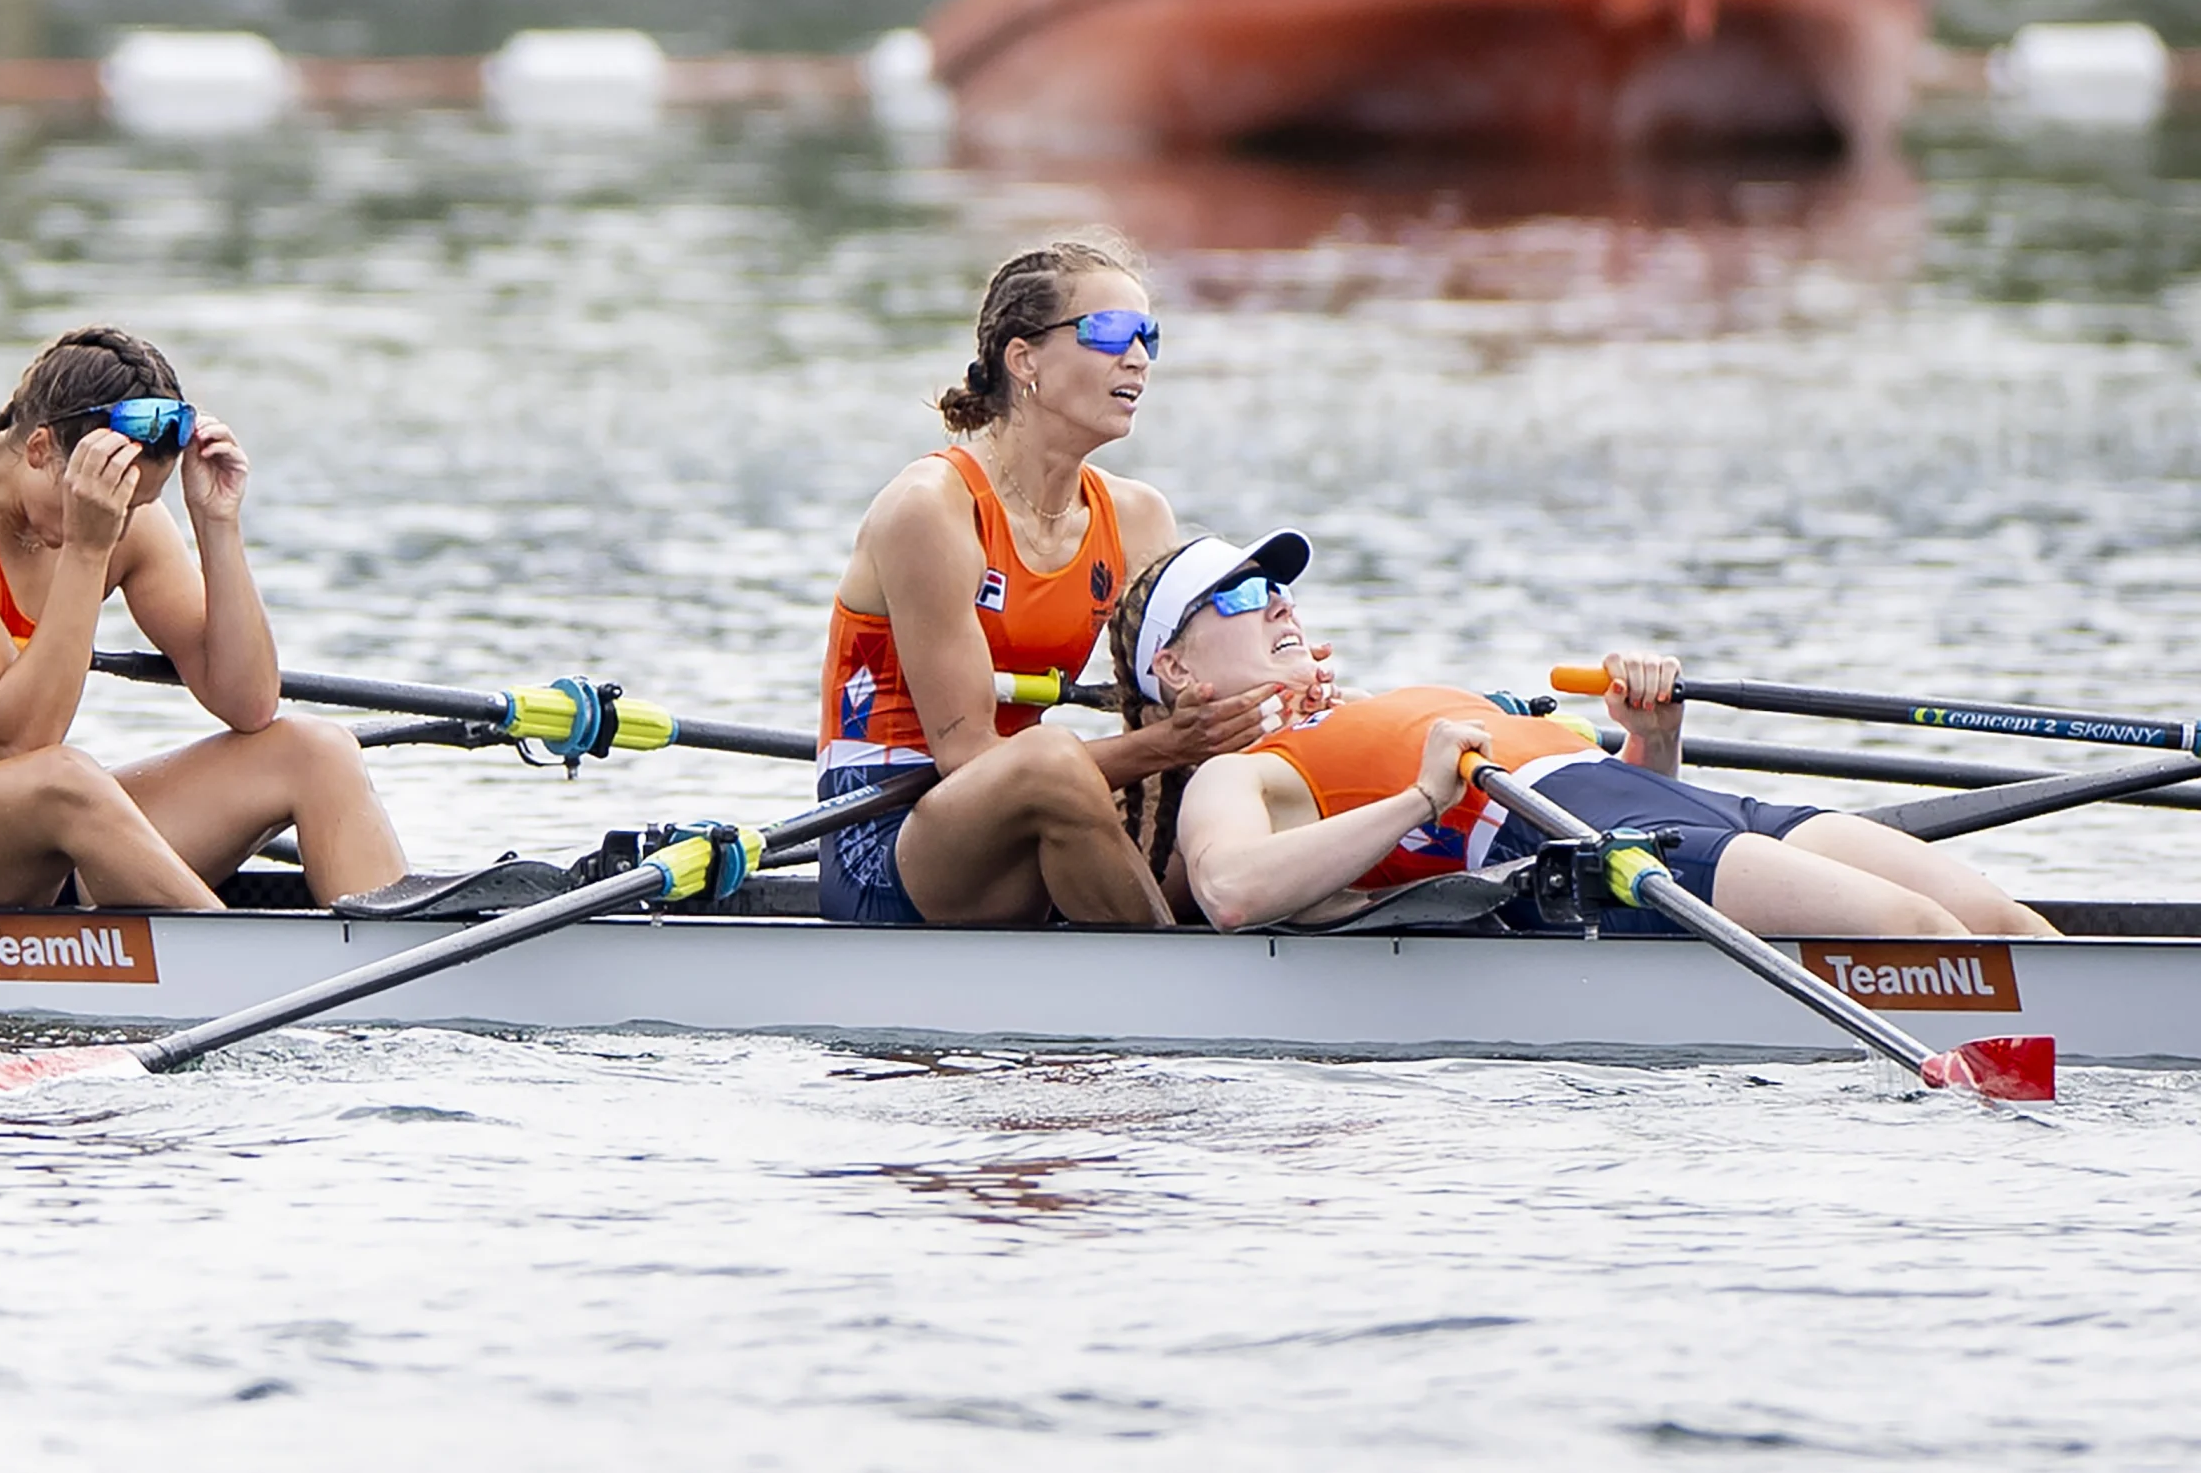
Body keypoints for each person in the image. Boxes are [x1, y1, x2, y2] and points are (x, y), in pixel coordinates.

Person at [1139, 532, 2051, 939]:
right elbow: (1230, 892)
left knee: (2002, 924)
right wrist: (1420, 798)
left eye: (1282, 590)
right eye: (1245, 594)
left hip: (1674, 808)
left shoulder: (1371, 699)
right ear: (1175, 666)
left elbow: (1644, 787)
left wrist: (1653, 737)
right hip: (1581, 848)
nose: (1281, 605)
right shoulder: (1237, 774)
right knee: (1916, 931)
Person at [0, 326, 406, 910]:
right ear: (39, 450)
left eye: (135, 503)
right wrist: (87, 549)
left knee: (315, 750)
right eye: (99, 498)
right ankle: (251, 966)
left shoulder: (122, 514)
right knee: (66, 779)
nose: (117, 520)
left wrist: (217, 525)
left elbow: (248, 705)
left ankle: (396, 961)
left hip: (26, 823)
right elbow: (23, 743)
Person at [814, 234, 1271, 929]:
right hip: (886, 840)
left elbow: (1181, 688)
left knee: (1275, 732)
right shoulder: (931, 510)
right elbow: (968, 754)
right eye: (1110, 332)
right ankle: (1174, 967)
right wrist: (1168, 744)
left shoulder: (1138, 516)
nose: (1138, 357)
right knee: (1051, 758)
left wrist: (1276, 690)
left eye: (1148, 335)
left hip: (1028, 817)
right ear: (1023, 358)